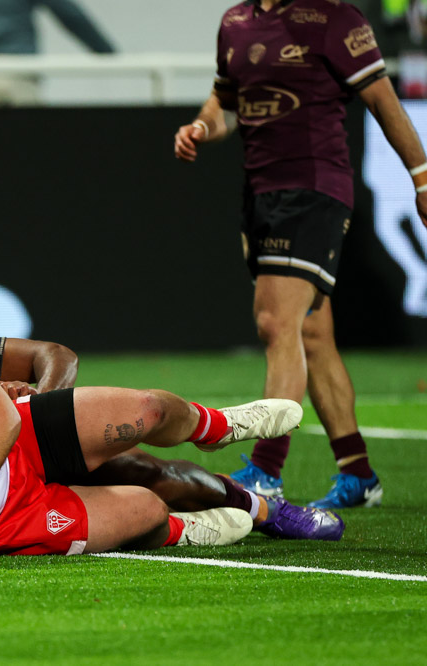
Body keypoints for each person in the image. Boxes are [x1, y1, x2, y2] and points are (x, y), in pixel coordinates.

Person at [0, 294, 344, 543]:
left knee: (143, 444)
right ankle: (194, 528)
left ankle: (221, 430)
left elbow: (52, 359)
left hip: (19, 435)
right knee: (147, 500)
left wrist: (53, 419)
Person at [173, 0, 427, 509]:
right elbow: (224, 104)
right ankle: (358, 473)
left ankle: (266, 472)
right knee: (311, 332)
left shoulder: (337, 18)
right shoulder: (236, 23)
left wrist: (421, 178)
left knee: (275, 321)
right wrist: (202, 127)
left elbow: (384, 102)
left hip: (315, 189)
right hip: (261, 195)